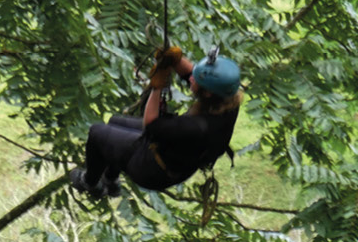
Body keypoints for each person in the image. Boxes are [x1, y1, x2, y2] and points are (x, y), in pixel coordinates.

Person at [71, 45, 242, 198]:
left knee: (97, 132)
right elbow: (191, 73)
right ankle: (111, 180)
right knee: (114, 122)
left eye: (196, 80)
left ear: (207, 93)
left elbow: (151, 124)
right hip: (175, 156)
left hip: (152, 170)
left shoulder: (197, 128)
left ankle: (90, 183)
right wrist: (174, 59)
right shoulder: (228, 100)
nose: (191, 78)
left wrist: (157, 86)